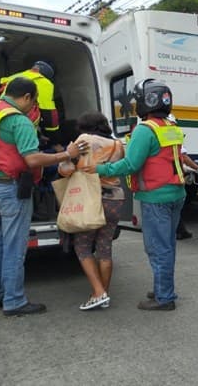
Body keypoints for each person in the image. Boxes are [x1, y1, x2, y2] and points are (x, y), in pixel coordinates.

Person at [0, 77, 86, 316]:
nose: (31, 109)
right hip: (11, 188)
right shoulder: (18, 120)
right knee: (15, 247)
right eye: (32, 104)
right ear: (27, 98)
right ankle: (14, 301)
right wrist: (66, 154)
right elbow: (32, 159)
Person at [83, 79, 185, 311]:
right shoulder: (170, 126)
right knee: (167, 245)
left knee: (158, 248)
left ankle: (164, 298)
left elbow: (131, 164)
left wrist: (100, 169)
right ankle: (163, 288)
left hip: (156, 198)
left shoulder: (145, 129)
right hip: (176, 194)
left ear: (145, 102)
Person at [58, 111, 125, 310]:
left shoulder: (84, 139)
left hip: (90, 197)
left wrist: (64, 159)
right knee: (105, 248)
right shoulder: (117, 144)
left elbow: (67, 170)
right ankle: (103, 293)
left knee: (82, 246)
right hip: (115, 198)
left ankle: (98, 292)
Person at [0, 61, 62, 148]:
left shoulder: (14, 78)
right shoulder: (43, 81)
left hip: (3, 127)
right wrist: (55, 141)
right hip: (21, 128)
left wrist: (39, 135)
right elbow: (49, 114)